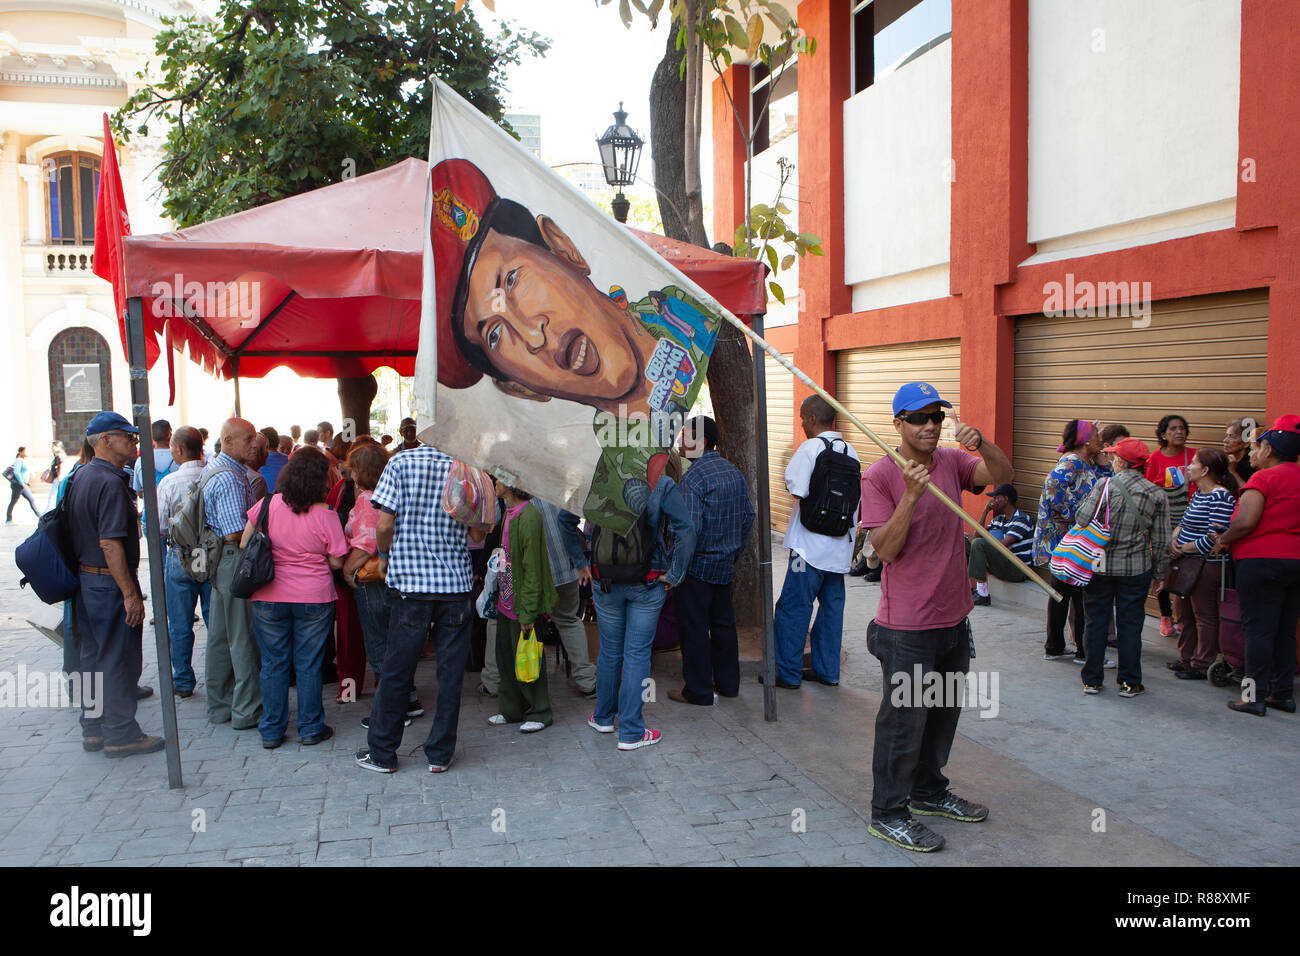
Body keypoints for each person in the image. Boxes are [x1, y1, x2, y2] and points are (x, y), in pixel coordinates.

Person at [427, 157, 720, 535]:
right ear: (518, 387)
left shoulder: (689, 310)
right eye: (495, 335)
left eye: (513, 281)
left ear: (563, 247)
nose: (534, 335)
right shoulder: (606, 488)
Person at [859, 382, 1012, 852]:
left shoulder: (952, 460)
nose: (930, 426)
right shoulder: (880, 476)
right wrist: (909, 495)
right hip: (906, 628)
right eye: (919, 418)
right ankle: (888, 812)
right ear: (898, 424)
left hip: (953, 617)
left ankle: (928, 792)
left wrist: (980, 441)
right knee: (903, 723)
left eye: (936, 417)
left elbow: (1005, 475)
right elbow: (884, 549)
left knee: (941, 715)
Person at [355, 441, 479, 773]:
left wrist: (384, 557)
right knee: (450, 675)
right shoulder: (466, 465)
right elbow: (479, 533)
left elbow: (384, 525)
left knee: (398, 669)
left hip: (410, 587)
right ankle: (439, 754)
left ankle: (382, 752)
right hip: (455, 586)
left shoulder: (400, 463)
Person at [63, 412, 163, 758]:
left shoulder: (82, 476)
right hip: (107, 584)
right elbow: (110, 543)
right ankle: (121, 733)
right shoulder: (108, 481)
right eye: (128, 437)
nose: (135, 443)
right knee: (117, 660)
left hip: (87, 581)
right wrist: (130, 594)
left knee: (92, 658)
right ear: (106, 440)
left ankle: (93, 730)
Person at [241, 446, 348, 748]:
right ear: (320, 480)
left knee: (273, 663)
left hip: (268, 594)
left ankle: (272, 730)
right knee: (309, 663)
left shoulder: (267, 504)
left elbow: (246, 544)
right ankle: (311, 727)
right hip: (314, 597)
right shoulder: (326, 515)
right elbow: (338, 561)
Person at [587, 466, 695, 751]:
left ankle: (603, 718)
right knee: (636, 654)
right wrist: (675, 574)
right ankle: (632, 732)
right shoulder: (662, 483)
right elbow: (686, 529)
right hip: (648, 582)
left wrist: (580, 561)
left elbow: (565, 519)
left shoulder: (598, 476)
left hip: (606, 581)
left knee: (610, 650)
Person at [771, 395, 860, 688]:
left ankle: (787, 673)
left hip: (806, 550)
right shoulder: (853, 452)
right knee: (832, 611)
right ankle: (827, 671)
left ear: (810, 417)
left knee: (793, 608)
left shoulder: (810, 448)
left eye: (801, 418)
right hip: (839, 550)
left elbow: (796, 488)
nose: (801, 424)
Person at [1213, 416, 1300, 715]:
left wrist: (1224, 539)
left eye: (1259, 446)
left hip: (1260, 562)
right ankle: (1283, 695)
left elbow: (1245, 522)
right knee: (1286, 632)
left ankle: (1252, 696)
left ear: (1270, 450)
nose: (1256, 452)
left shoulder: (1263, 478)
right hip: (1295, 562)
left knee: (1258, 632)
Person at [670, 415, 754, 705]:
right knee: (722, 626)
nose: (680, 441)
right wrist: (733, 551)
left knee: (694, 628)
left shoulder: (694, 478)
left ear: (702, 441)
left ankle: (698, 690)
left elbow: (688, 531)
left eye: (686, 436)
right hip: (724, 566)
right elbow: (748, 516)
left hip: (698, 568)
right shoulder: (733, 471)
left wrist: (676, 569)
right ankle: (728, 684)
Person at [1077, 437, 1171, 698]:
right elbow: (1162, 541)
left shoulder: (1104, 486)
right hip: (1136, 569)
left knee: (1096, 622)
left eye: (1114, 457)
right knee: (1131, 625)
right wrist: (1161, 574)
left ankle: (1092, 680)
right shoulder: (1157, 494)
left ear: (1121, 462)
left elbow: (1082, 519)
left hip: (1101, 567)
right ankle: (1129, 683)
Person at [341, 443, 415, 725]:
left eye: (353, 469)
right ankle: (408, 701)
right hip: (398, 576)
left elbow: (368, 541)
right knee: (396, 642)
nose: (350, 475)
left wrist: (349, 571)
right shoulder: (395, 493)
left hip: (373, 580)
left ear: (361, 471)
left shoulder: (368, 500)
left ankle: (391, 712)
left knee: (379, 645)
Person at [203, 418, 263, 730]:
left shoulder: (218, 470)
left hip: (221, 563)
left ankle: (220, 705)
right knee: (241, 637)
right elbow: (235, 533)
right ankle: (247, 711)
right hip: (234, 560)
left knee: (220, 635)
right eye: (248, 438)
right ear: (227, 441)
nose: (255, 443)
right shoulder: (229, 479)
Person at [488, 479, 557, 733]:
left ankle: (539, 711)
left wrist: (528, 611)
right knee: (506, 658)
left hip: (523, 605)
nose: (496, 481)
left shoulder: (529, 516)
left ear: (513, 482)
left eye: (500, 477)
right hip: (507, 601)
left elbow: (533, 569)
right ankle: (511, 710)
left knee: (529, 659)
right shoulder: (509, 512)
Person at [1032, 419, 1104, 662]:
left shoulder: (1088, 462)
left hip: (1072, 542)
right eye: (1096, 435)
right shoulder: (1073, 461)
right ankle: (1083, 651)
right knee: (1081, 595)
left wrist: (1102, 463)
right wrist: (1076, 516)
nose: (1101, 440)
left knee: (1062, 593)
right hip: (1072, 542)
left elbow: (1106, 487)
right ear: (1084, 441)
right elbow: (1052, 487)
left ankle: (1054, 647)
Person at [1167, 449, 1239, 680]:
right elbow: (1184, 521)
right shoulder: (1199, 493)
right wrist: (1175, 538)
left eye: (1194, 464)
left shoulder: (1221, 496)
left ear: (1206, 470)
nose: (1188, 467)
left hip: (1207, 563)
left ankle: (1201, 663)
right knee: (1183, 610)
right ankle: (1185, 658)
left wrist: (1182, 549)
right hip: (1186, 562)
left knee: (1204, 615)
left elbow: (1215, 536)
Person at [155, 426, 211, 699]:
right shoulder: (214, 476)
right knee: (217, 623)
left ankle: (183, 680)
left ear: (177, 449)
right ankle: (219, 677)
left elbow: (159, 526)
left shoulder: (168, 483)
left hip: (180, 555)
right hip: (211, 557)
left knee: (179, 623)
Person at [530, 496, 597, 697]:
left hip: (533, 574)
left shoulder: (518, 488)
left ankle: (522, 682)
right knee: (569, 621)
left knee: (524, 626)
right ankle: (587, 682)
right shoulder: (558, 482)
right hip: (565, 569)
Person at [1146, 414, 1196, 637]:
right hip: (1164, 521)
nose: (1179, 432)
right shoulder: (1155, 459)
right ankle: (1166, 616)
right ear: (1163, 434)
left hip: (1191, 521)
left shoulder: (1194, 456)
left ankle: (1188, 618)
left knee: (1189, 569)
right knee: (1163, 569)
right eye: (1173, 429)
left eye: (1182, 428)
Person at [967, 484, 1033, 605]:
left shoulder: (1022, 519)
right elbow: (977, 536)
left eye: (996, 498)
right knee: (966, 543)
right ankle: (968, 589)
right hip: (1002, 564)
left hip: (1017, 569)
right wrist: (985, 512)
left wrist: (977, 541)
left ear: (1006, 499)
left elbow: (1001, 546)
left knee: (978, 543)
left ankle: (983, 595)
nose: (993, 501)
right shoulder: (998, 519)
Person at [131, 419, 176, 496]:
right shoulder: (179, 456)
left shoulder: (141, 461)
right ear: (170, 434)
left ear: (151, 436)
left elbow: (139, 492)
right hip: (175, 507)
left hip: (150, 507)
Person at [6, 446, 39, 523]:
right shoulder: (18, 460)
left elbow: (25, 471)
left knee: (31, 500)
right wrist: (22, 483)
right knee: (14, 501)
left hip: (23, 484)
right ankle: (8, 519)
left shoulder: (23, 461)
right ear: (21, 452)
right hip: (19, 485)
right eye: (25, 451)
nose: (27, 453)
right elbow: (16, 472)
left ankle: (40, 516)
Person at [1224, 418, 1258, 486]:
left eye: (1232, 436)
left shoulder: (1252, 465)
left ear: (1247, 443)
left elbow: (1249, 493)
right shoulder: (1227, 460)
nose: (1225, 440)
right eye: (1227, 435)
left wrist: (1233, 472)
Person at [260, 427, 289, 492]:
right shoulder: (290, 460)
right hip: (284, 499)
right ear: (278, 441)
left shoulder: (257, 461)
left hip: (264, 500)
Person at [245, 432, 270, 501]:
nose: (268, 453)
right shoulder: (257, 480)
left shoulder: (234, 469)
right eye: (266, 448)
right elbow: (257, 510)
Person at [43, 441, 65, 511]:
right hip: (58, 478)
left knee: (52, 496)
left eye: (53, 446)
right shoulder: (58, 456)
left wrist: (59, 477)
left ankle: (47, 513)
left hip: (58, 479)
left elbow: (61, 466)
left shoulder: (60, 456)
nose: (52, 448)